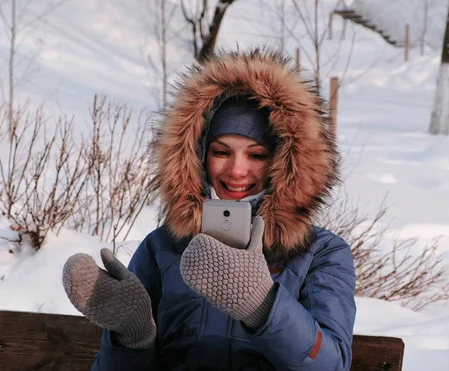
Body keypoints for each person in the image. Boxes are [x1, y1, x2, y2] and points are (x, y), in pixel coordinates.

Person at [61, 48, 357, 371]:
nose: (237, 170)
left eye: (256, 155)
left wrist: (263, 305)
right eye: (221, 151)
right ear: (199, 157)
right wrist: (131, 336)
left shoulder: (321, 254)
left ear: (284, 163)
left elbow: (331, 364)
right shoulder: (162, 247)